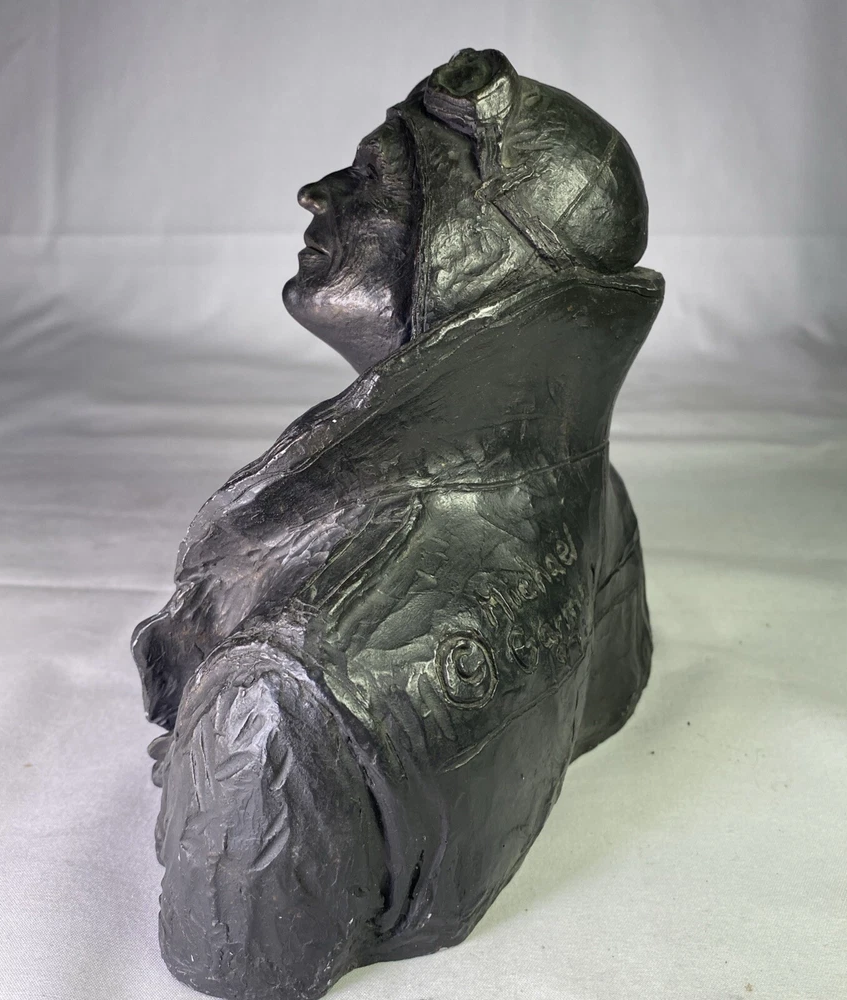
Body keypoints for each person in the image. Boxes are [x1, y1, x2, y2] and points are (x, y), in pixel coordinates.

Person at [132, 48, 664, 1000]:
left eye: (375, 179)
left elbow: (235, 951)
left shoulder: (273, 705)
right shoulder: (603, 511)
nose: (317, 193)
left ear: (485, 260)